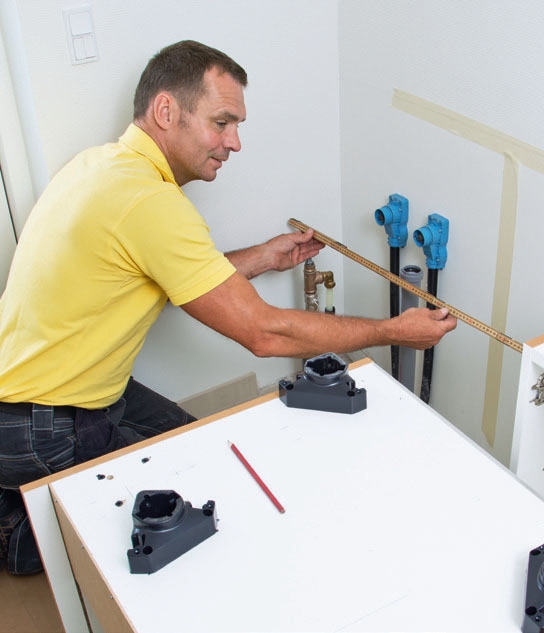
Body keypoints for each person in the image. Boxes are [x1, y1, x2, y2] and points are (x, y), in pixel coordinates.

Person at [0, 40, 456, 574]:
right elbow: (266, 334)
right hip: (44, 423)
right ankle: (16, 527)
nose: (234, 142)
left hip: (55, 391)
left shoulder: (101, 167)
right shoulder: (150, 203)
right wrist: (393, 331)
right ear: (166, 110)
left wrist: (260, 258)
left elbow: (169, 276)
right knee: (171, 526)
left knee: (202, 448)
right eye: (221, 123)